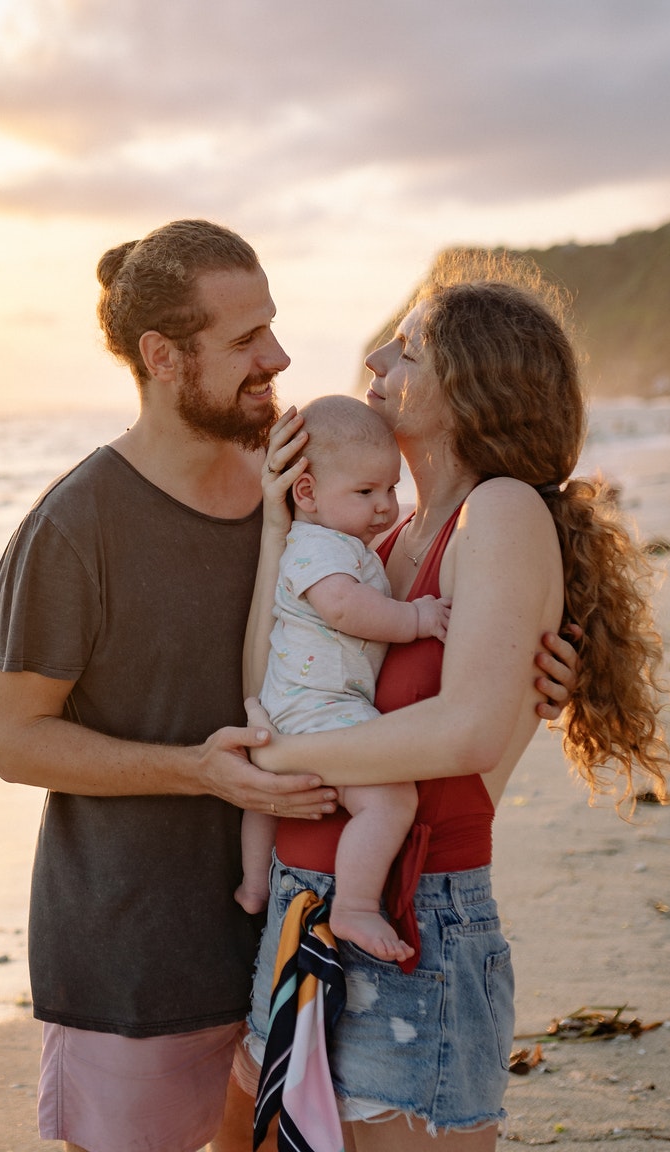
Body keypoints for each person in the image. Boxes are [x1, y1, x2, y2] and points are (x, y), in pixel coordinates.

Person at [0, 222, 581, 1152]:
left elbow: (431, 686)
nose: (283, 357)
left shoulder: (323, 491)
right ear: (163, 358)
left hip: (296, 922)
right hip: (145, 945)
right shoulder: (75, 527)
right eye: (246, 340)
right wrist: (208, 770)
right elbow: (15, 741)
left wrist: (529, 686)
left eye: (275, 326)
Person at [232, 254, 670, 1151]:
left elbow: (468, 730)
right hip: (303, 903)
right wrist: (279, 530)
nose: (376, 365)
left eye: (407, 351)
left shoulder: (502, 512)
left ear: (469, 386)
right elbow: (268, 678)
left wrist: (268, 761)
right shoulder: (382, 538)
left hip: (413, 919)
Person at [235, 395, 446, 965]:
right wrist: (417, 618)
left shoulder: (340, 544)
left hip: (293, 706)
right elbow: (346, 610)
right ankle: (354, 904)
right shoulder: (317, 548)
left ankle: (255, 884)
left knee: (264, 799)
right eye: (365, 492)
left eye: (390, 489)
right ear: (305, 494)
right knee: (391, 798)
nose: (384, 506)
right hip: (321, 707)